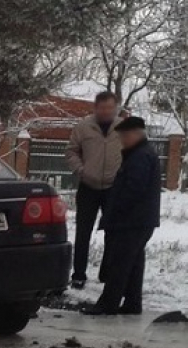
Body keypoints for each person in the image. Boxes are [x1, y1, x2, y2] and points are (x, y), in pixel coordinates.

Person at [82, 116, 161, 316]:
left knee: (120, 263)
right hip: (139, 220)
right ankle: (132, 304)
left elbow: (133, 189)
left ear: (134, 135)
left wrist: (116, 211)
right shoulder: (140, 154)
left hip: (131, 221)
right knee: (133, 263)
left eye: (124, 136)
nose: (122, 140)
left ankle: (107, 305)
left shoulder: (140, 157)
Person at [65, 91, 122, 289]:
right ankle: (79, 274)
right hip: (88, 186)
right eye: (102, 107)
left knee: (113, 232)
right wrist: (81, 170)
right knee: (83, 232)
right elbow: (71, 151)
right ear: (95, 107)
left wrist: (123, 176)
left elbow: (133, 153)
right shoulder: (83, 127)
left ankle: (106, 273)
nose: (106, 111)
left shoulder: (123, 128)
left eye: (110, 107)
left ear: (116, 108)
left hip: (113, 188)